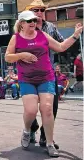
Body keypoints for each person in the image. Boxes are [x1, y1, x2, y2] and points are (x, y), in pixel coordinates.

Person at [5, 10, 82, 157]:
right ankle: (27, 131)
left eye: (34, 20)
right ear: (21, 24)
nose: (33, 22)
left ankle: (49, 143)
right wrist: (22, 55)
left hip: (46, 77)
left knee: (47, 109)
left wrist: (75, 35)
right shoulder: (16, 38)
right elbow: (8, 57)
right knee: (31, 110)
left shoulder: (42, 35)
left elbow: (60, 47)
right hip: (27, 79)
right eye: (29, 21)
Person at [25, 0, 65, 148]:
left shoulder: (51, 27)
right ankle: (32, 127)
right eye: (36, 10)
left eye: (42, 10)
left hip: (48, 73)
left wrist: (75, 35)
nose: (40, 13)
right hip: (30, 74)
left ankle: (45, 136)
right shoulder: (26, 28)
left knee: (51, 107)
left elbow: (61, 44)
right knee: (31, 107)